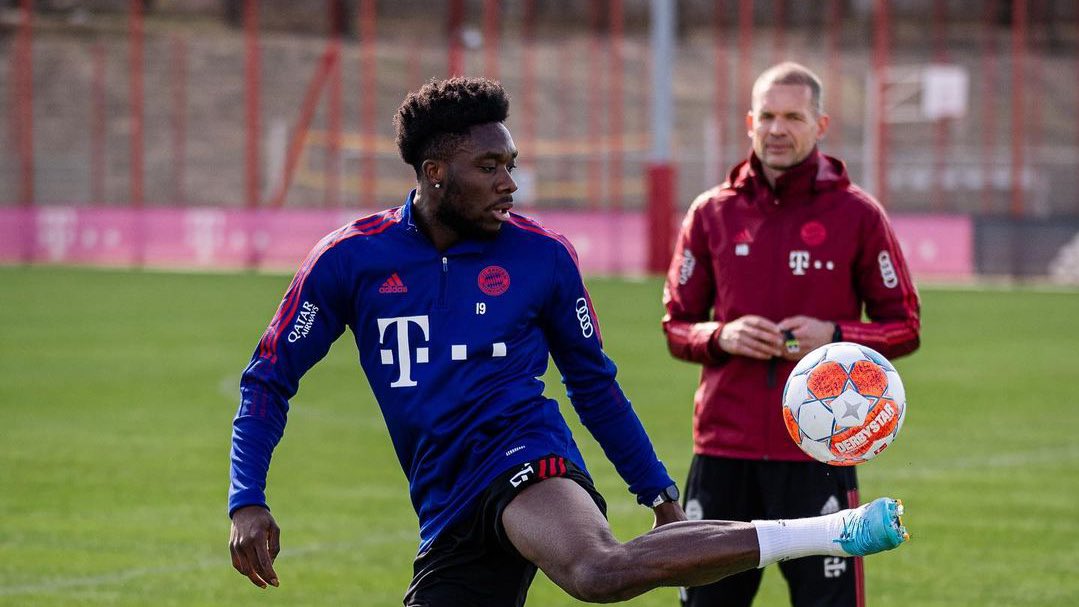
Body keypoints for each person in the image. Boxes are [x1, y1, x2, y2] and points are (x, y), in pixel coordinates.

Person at [228, 76, 909, 607]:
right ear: (435, 171)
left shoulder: (542, 257)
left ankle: (828, 530)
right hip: (443, 496)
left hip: (523, 454)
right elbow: (268, 377)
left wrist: (656, 493)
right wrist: (247, 498)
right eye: (489, 166)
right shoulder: (349, 260)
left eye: (511, 163)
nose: (509, 183)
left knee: (594, 569)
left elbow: (592, 381)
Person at [662, 62, 921, 607]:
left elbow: (904, 326)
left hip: (819, 451)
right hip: (722, 449)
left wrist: (835, 333)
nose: (777, 129)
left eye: (793, 116)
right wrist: (720, 335)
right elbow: (676, 326)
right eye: (768, 116)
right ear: (751, 122)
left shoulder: (858, 215)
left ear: (820, 124)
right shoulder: (711, 212)